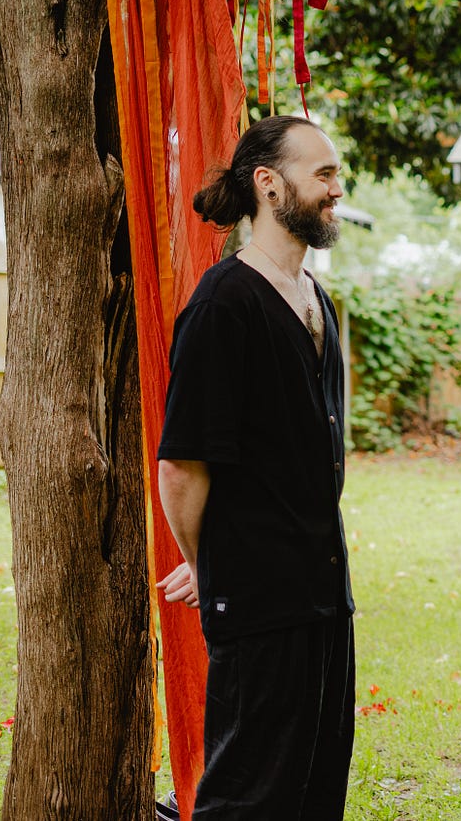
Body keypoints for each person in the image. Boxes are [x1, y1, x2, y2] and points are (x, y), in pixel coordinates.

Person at [155, 114, 355, 820]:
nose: (337, 186)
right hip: (261, 604)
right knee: (249, 797)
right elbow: (181, 467)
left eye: (336, 173)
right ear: (269, 185)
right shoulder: (223, 304)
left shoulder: (318, 301)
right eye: (323, 173)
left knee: (315, 787)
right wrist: (215, 565)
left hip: (325, 596)